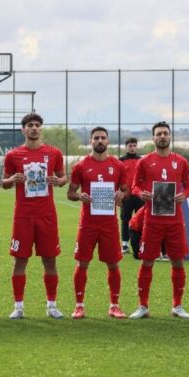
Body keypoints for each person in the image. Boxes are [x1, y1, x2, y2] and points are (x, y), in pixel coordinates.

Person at [2, 112, 68, 319]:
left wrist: (59, 181)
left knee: (50, 260)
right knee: (20, 260)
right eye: (30, 125)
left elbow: (63, 177)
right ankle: (18, 307)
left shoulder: (54, 153)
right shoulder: (13, 155)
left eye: (37, 125)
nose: (34, 128)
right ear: (23, 129)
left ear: (41, 128)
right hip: (23, 216)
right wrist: (12, 179)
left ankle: (52, 306)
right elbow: (4, 182)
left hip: (47, 215)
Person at [128, 121, 189, 319]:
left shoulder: (181, 161)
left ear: (170, 136)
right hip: (152, 220)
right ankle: (143, 306)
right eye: (159, 134)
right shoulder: (144, 161)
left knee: (178, 262)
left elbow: (188, 187)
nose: (162, 136)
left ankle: (177, 306)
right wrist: (141, 193)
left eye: (165, 133)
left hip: (175, 221)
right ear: (153, 138)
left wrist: (184, 195)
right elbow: (134, 186)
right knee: (147, 261)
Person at [67, 126, 128, 319]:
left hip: (109, 224)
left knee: (113, 264)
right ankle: (79, 306)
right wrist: (80, 196)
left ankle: (114, 306)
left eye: (103, 138)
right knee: (82, 263)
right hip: (87, 224)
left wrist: (121, 195)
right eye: (96, 138)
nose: (100, 141)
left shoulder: (118, 165)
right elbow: (70, 193)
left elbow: (126, 190)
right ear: (91, 141)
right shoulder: (80, 166)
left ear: (108, 141)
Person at [119, 137, 144, 256]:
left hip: (139, 195)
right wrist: (119, 193)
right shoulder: (120, 161)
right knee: (125, 219)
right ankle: (125, 244)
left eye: (134, 146)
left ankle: (141, 243)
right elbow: (117, 178)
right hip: (126, 195)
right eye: (130, 146)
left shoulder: (142, 160)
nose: (132, 148)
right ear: (126, 147)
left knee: (141, 220)